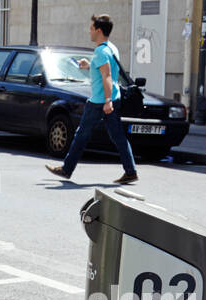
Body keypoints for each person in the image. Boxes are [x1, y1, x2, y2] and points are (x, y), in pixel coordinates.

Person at [46, 14, 138, 185]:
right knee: (118, 136)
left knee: (82, 135)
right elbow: (103, 69)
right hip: (111, 98)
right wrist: (88, 65)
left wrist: (107, 100)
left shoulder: (101, 51)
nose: (89, 32)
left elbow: (107, 76)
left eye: (91, 28)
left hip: (100, 101)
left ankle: (66, 169)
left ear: (98, 30)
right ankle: (130, 171)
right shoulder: (111, 48)